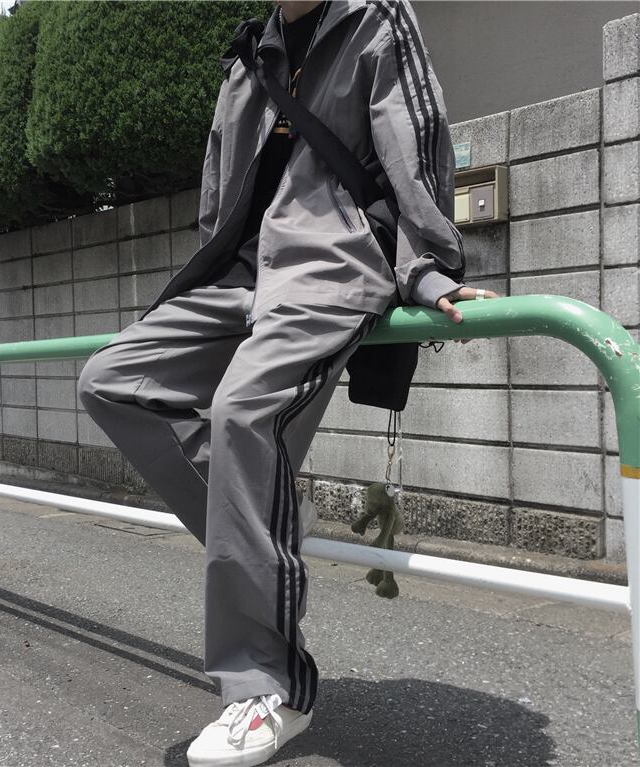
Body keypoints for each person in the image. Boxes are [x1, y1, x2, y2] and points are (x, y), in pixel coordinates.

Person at [77, 1, 498, 765]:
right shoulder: (248, 57)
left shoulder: (374, 21)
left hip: (332, 263)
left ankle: (269, 684)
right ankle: (269, 522)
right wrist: (211, 270)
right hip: (244, 272)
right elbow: (219, 197)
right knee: (113, 379)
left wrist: (428, 265)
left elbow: (417, 144)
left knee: (242, 412)